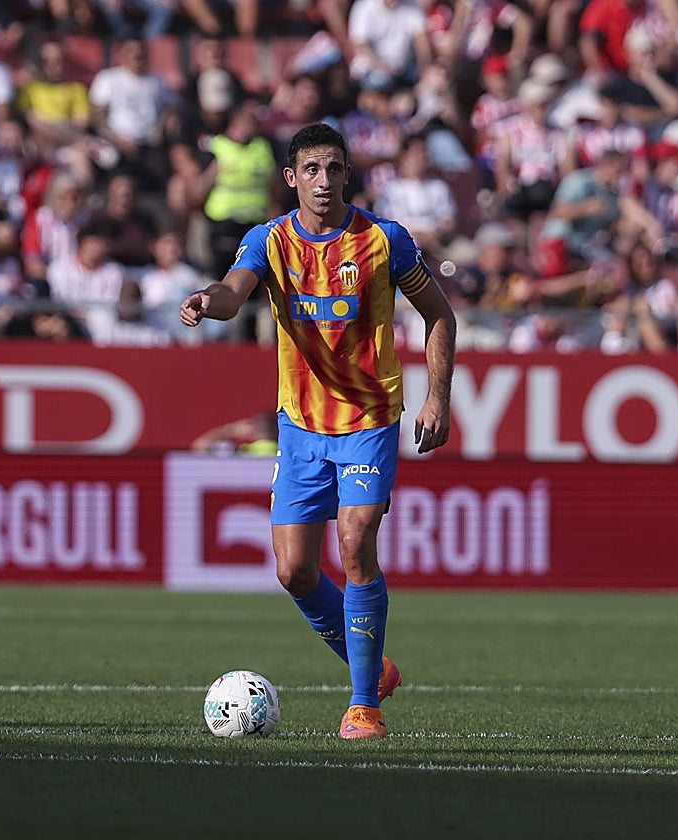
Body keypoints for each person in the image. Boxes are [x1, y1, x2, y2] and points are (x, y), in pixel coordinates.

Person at [179, 123, 457, 741]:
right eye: (311, 170)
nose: (324, 181)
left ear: (347, 174)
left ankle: (364, 707)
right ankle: (373, 667)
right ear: (291, 178)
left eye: (334, 169)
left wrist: (438, 397)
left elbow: (439, 314)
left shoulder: (387, 242)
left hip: (368, 420)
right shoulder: (268, 241)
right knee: (294, 571)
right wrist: (205, 298)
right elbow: (233, 294)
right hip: (300, 426)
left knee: (356, 545)